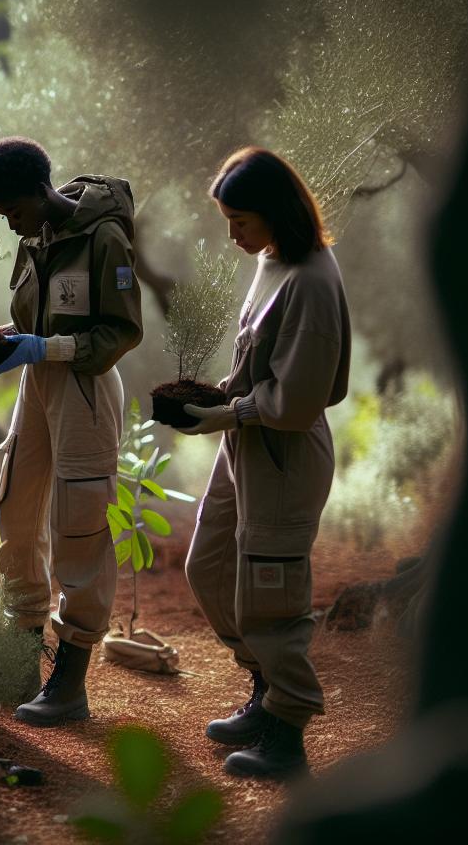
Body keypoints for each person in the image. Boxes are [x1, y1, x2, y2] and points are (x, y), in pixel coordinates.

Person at [0, 136, 143, 725]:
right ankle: (23, 656)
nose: (10, 226)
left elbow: (121, 333)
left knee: (78, 526)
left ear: (39, 192)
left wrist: (44, 346)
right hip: (38, 386)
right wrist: (4, 339)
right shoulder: (34, 239)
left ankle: (71, 677)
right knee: (16, 509)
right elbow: (34, 318)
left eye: (12, 211)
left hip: (85, 388)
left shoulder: (102, 238)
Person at [178, 146, 350, 780]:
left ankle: (287, 732)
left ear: (274, 212)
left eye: (239, 222)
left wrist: (228, 412)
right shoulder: (272, 257)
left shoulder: (311, 276)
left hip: (282, 456)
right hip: (245, 446)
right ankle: (264, 690)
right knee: (209, 565)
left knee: (271, 600)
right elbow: (258, 361)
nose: (233, 235)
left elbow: (298, 401)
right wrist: (214, 398)